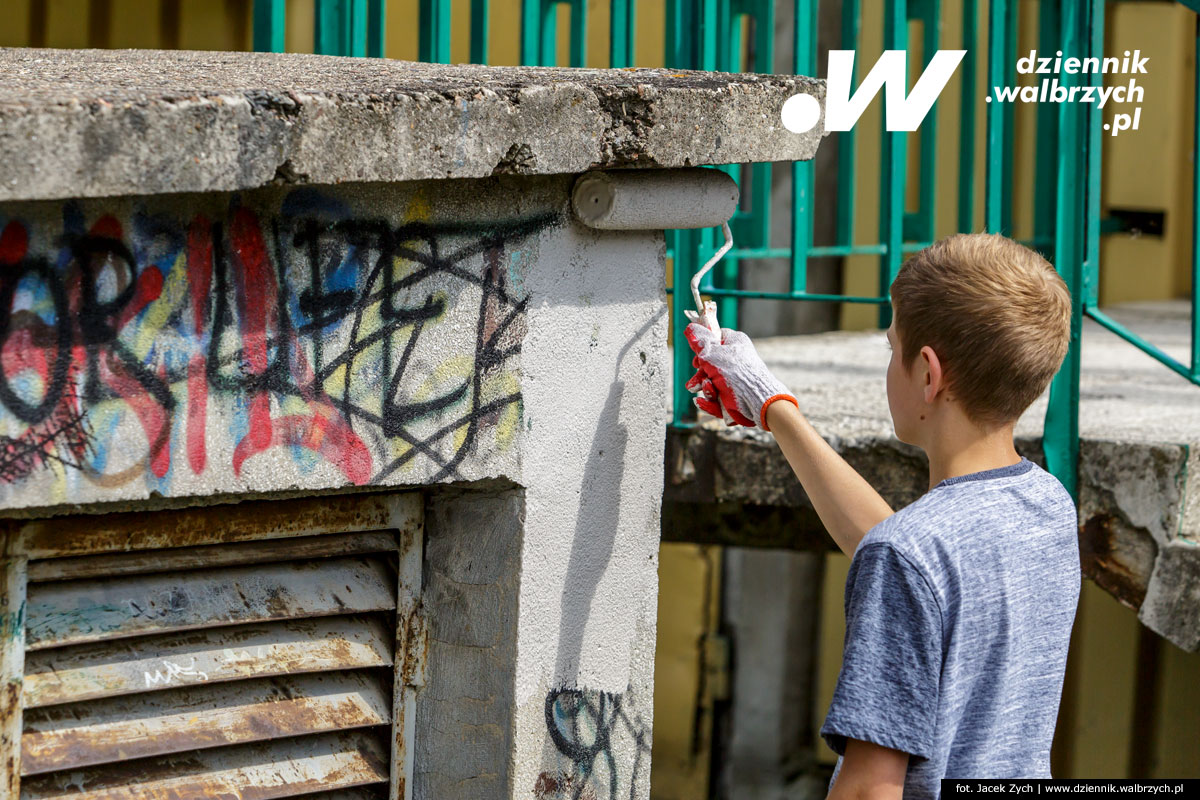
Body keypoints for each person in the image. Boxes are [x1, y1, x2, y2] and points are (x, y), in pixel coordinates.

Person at [684, 232, 1081, 798]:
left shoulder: (907, 555)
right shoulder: (1047, 505)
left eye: (890, 347)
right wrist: (770, 402)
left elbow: (871, 788)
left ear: (928, 373)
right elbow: (912, 564)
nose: (888, 363)